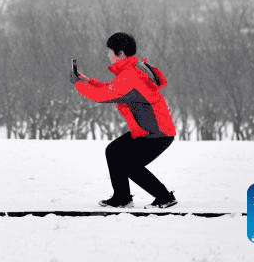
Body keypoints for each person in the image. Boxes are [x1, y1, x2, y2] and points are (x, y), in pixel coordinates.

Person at [72, 32, 178, 209]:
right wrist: (87, 80)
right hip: (149, 132)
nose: (108, 55)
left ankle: (164, 197)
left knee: (130, 164)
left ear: (120, 53)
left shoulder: (130, 76)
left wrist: (79, 85)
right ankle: (122, 198)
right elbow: (110, 88)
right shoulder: (131, 71)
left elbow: (103, 95)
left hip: (157, 134)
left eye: (110, 52)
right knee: (114, 151)